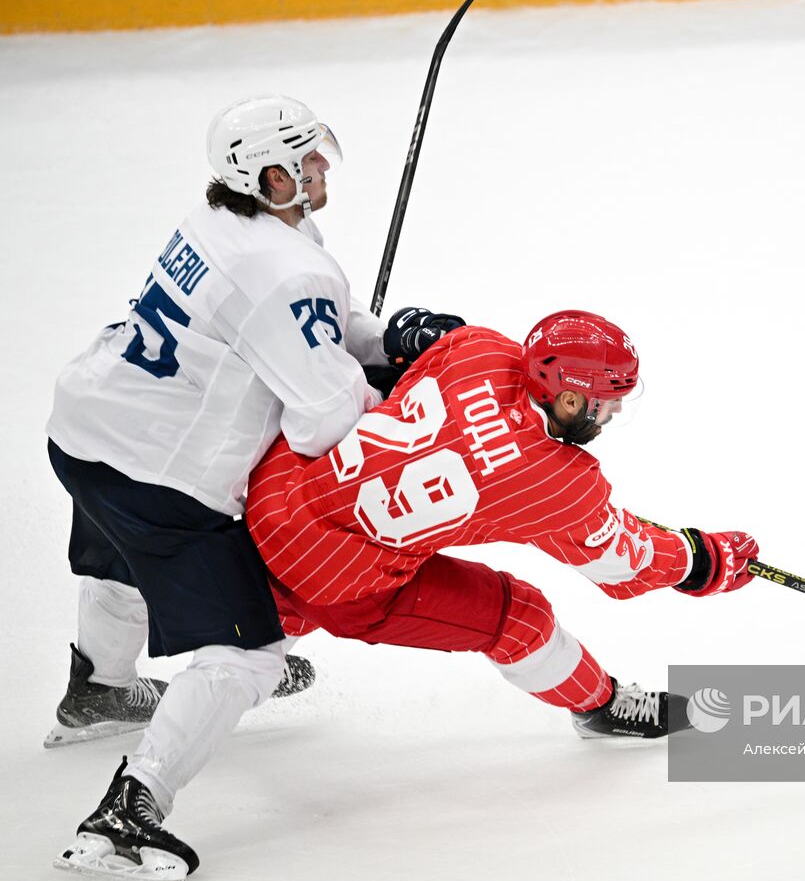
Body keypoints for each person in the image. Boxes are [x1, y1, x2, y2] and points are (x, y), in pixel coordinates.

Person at [46, 94, 462, 881]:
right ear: (269, 176)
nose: (321, 166)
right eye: (305, 159)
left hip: (87, 426)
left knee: (121, 562)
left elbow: (289, 318)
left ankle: (98, 688)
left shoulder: (222, 221)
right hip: (158, 473)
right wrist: (381, 385)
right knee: (249, 652)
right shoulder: (288, 266)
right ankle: (125, 819)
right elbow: (322, 421)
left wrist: (382, 336)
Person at [246, 309, 760, 739]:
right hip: (333, 581)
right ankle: (600, 707)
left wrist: (408, 335)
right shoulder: (562, 486)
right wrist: (702, 560)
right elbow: (626, 563)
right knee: (521, 619)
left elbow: (398, 363)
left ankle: (251, 657)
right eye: (608, 403)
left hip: (273, 496)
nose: (614, 412)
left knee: (331, 504)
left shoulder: (476, 347)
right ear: (571, 400)